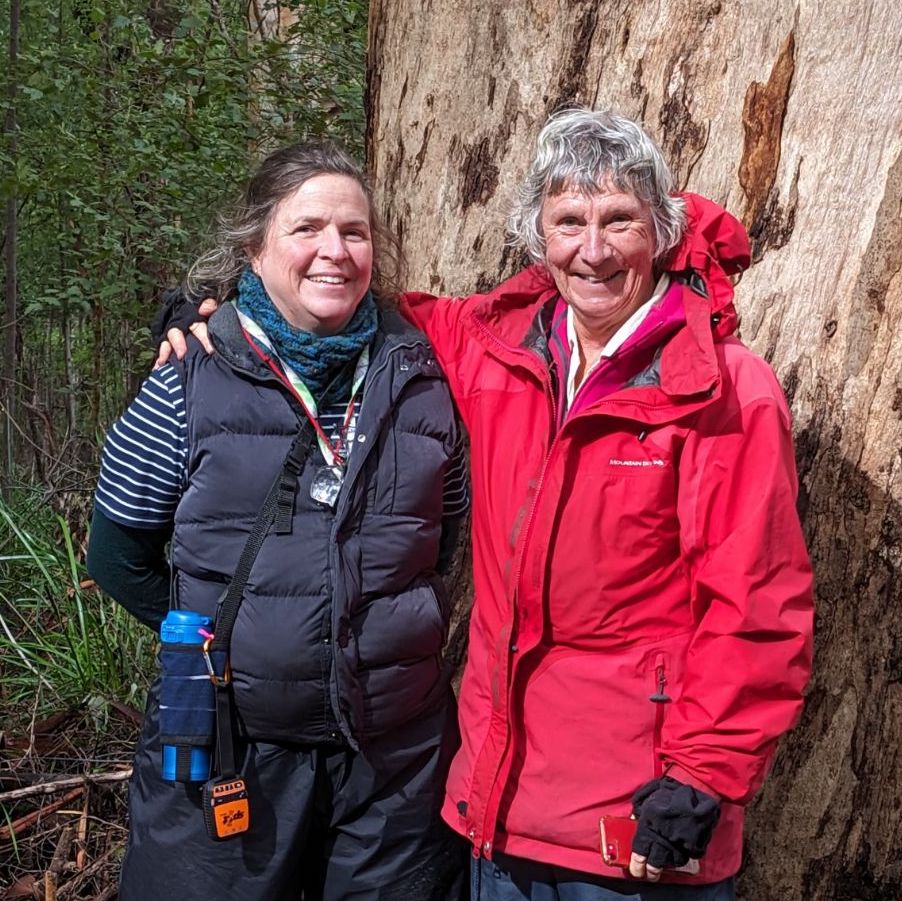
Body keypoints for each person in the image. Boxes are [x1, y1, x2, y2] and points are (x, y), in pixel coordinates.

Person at [159, 109, 814, 900]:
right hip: (495, 812)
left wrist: (706, 774)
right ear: (538, 236)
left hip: (640, 824)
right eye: (569, 221)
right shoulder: (495, 348)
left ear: (662, 232)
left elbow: (758, 604)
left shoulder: (722, 388)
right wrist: (224, 314)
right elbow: (346, 303)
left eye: (620, 221)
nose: (594, 249)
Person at [87, 140, 470, 901]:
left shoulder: (424, 377)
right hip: (226, 748)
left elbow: (444, 543)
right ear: (255, 247)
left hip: (392, 767)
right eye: (308, 229)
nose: (334, 251)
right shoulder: (188, 379)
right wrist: (213, 640)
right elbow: (115, 552)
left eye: (355, 232)